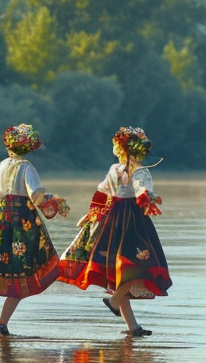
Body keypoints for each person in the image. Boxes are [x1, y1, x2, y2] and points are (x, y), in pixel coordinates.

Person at [58, 126, 171, 337]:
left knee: (125, 269)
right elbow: (132, 189)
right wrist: (146, 197)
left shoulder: (120, 169)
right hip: (133, 222)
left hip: (115, 219)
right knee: (135, 266)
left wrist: (94, 213)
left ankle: (132, 326)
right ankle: (115, 301)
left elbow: (105, 191)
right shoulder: (138, 171)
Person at [0, 124, 66, 336]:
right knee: (24, 267)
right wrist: (54, 204)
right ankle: (2, 320)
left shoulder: (0, 166)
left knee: (12, 268)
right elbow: (36, 193)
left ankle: (3, 320)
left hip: (2, 219)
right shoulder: (26, 167)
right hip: (22, 221)